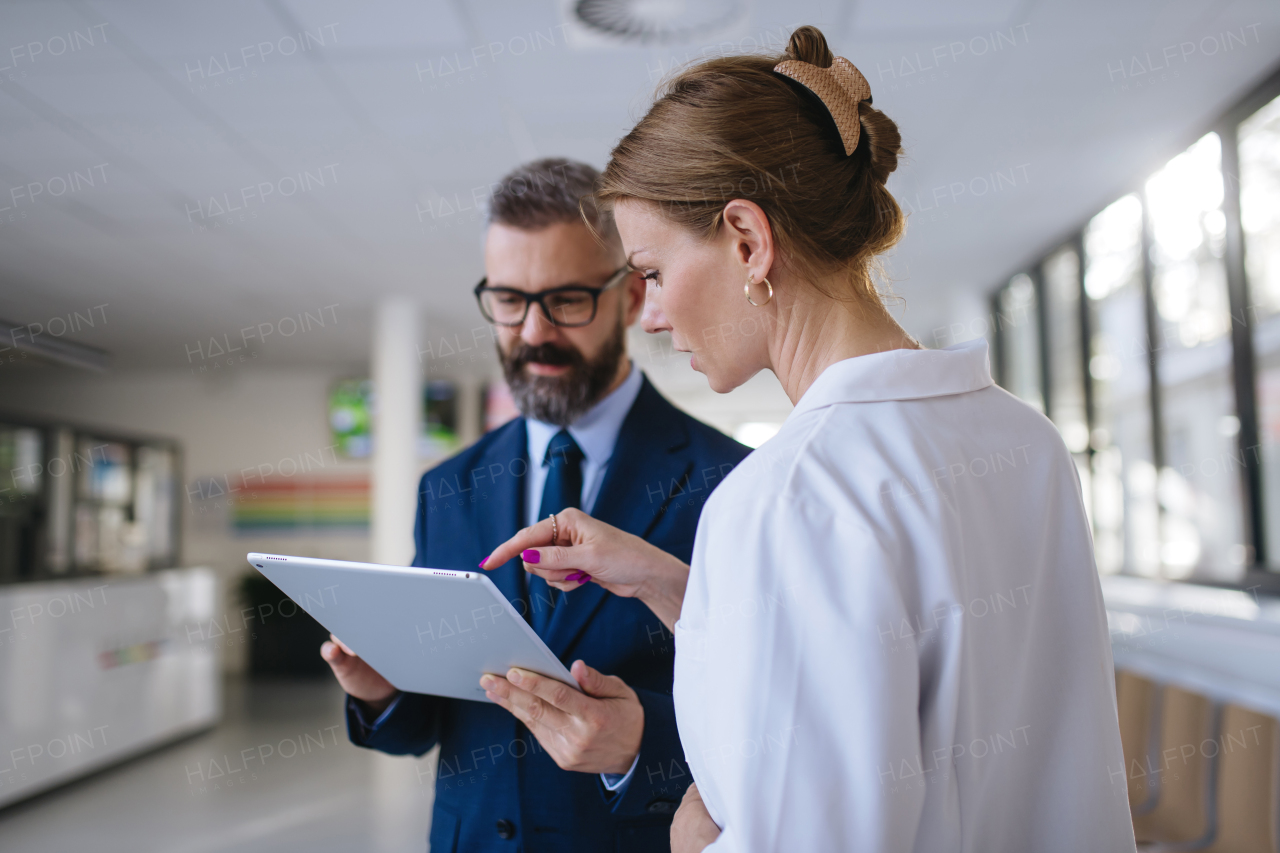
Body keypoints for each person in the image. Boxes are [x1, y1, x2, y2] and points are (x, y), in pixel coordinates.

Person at [482, 28, 1137, 853]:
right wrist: (678, 588)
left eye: (650, 272)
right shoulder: (1028, 442)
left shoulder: (785, 496)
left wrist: (695, 838)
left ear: (747, 240)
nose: (648, 313)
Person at [321, 157, 750, 853]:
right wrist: (382, 690)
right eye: (510, 299)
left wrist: (642, 741)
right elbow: (434, 723)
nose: (532, 331)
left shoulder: (730, 480)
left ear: (634, 297)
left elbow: (768, 718)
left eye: (567, 299)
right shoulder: (447, 488)